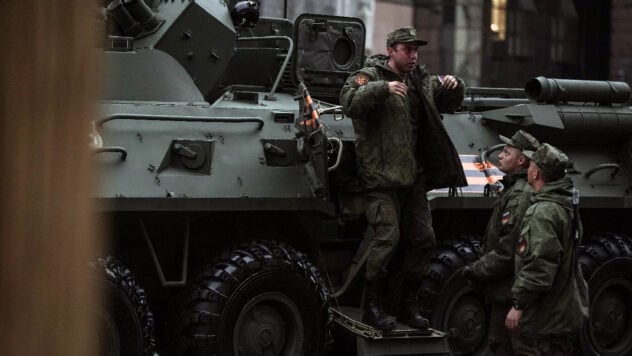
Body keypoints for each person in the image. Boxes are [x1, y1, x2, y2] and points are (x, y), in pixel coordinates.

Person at [340, 26, 467, 331]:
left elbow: (450, 103)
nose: (413, 55)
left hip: (413, 178)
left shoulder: (421, 80)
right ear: (391, 50)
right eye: (407, 49)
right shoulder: (369, 75)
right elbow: (348, 101)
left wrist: (454, 85)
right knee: (388, 240)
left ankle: (404, 302)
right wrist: (382, 89)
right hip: (381, 178)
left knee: (424, 240)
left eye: (416, 50)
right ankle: (371, 305)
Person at [505, 143, 589, 355]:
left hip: (541, 320)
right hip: (562, 314)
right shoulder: (566, 206)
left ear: (536, 173)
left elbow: (540, 267)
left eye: (531, 165)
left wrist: (519, 306)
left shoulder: (542, 212)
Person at [462, 130, 540, 354]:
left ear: (521, 160)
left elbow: (508, 250)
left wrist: (476, 270)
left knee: (518, 346)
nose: (499, 156)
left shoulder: (520, 195)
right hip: (505, 290)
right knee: (499, 343)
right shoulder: (513, 189)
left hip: (514, 292)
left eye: (506, 152)